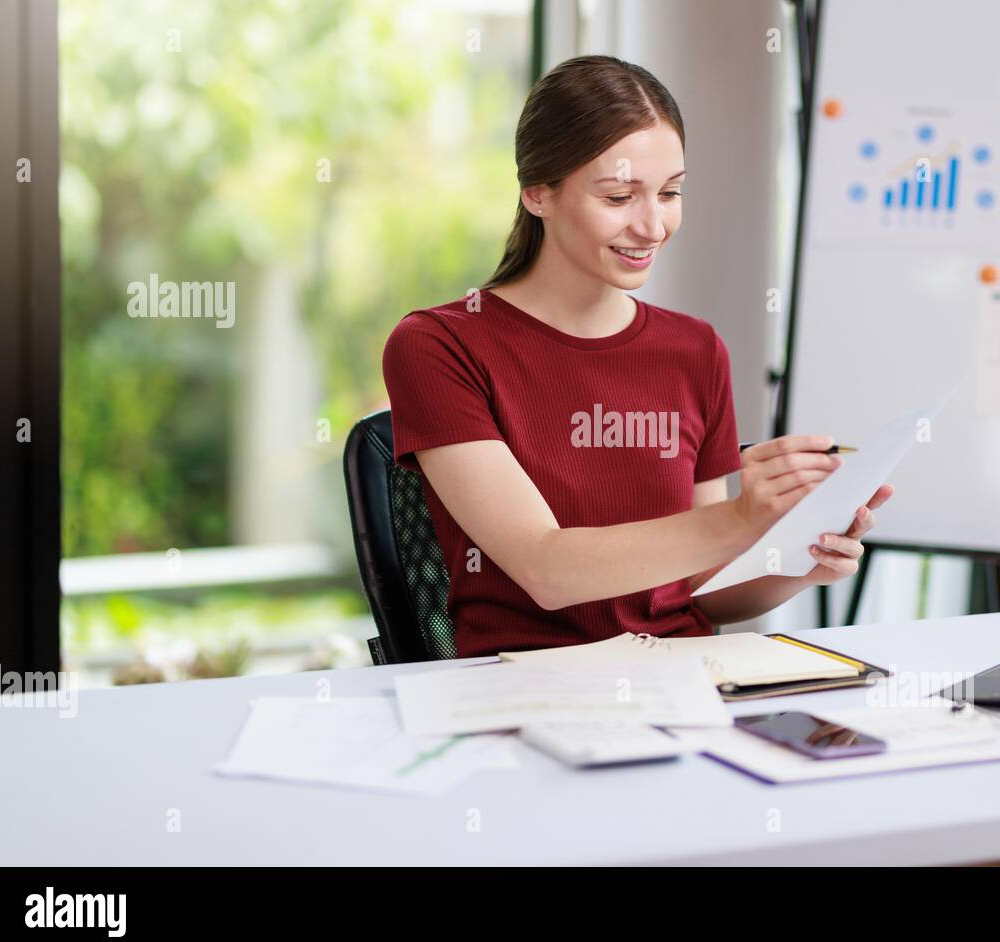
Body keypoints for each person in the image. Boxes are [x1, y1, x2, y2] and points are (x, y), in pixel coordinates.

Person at [382, 55, 892, 657]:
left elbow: (701, 592)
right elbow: (547, 570)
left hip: (686, 683)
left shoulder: (694, 350)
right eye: (621, 196)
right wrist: (740, 519)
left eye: (671, 193)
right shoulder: (439, 346)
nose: (653, 226)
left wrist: (802, 560)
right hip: (525, 688)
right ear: (538, 193)